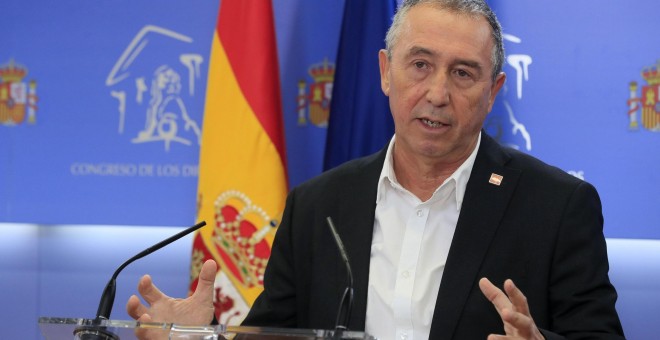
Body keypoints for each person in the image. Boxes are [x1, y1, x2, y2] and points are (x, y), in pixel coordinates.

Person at [127, 0, 625, 339]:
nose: (437, 93)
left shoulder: (556, 207)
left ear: (492, 93)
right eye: (420, 64)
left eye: (463, 73)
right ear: (386, 71)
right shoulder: (318, 204)